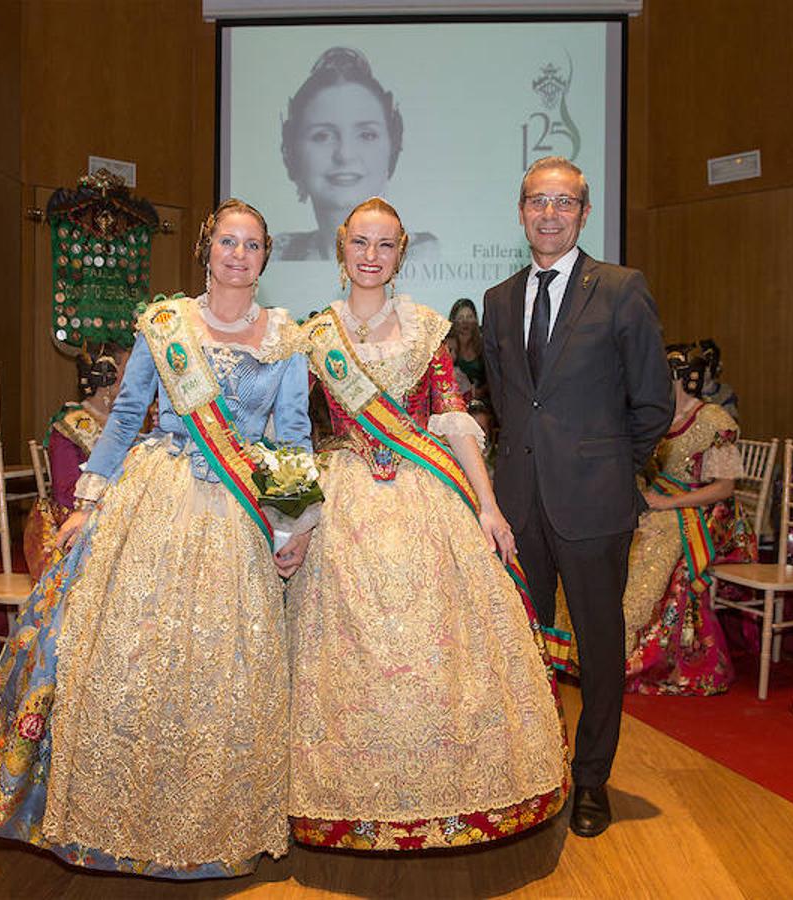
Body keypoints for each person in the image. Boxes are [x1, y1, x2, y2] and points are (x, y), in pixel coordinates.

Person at [0, 199, 313, 877]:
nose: (239, 255)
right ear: (206, 250)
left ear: (265, 258)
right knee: (127, 651)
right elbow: (126, 417)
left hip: (236, 520)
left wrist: (291, 523)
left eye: (252, 246)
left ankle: (211, 821)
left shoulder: (285, 339)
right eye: (227, 243)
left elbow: (291, 437)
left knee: (221, 669)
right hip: (156, 498)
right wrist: (86, 503)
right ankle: (112, 814)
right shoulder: (166, 325)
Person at [288, 198, 569, 852]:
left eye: (385, 245)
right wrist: (288, 515)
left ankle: (453, 793)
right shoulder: (314, 334)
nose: (371, 256)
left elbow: (452, 419)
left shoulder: (424, 329)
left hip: (422, 494)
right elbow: (290, 430)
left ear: (401, 252)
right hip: (342, 498)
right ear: (341, 246)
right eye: (361, 242)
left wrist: (489, 506)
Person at [481, 156, 672, 838]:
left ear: (584, 214)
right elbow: (509, 400)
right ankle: (532, 773)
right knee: (522, 646)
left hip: (596, 503)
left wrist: (612, 468)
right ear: (522, 211)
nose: (550, 213)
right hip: (519, 503)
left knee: (596, 646)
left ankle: (591, 780)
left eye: (565, 203)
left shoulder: (620, 289)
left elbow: (654, 401)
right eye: (538, 201)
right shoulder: (499, 298)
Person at [558, 344, 755, 695]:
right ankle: (583, 643)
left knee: (649, 549)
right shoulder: (655, 417)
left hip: (704, 511)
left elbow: (725, 488)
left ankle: (617, 655)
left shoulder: (715, 420)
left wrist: (667, 504)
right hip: (659, 501)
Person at [275, 47, 437, 262]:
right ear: (292, 151)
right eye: (322, 136)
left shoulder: (429, 254)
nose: (345, 154)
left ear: (392, 146)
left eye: (367, 135)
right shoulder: (273, 256)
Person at [22, 345, 126, 580]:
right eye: (124, 377)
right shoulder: (69, 426)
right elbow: (65, 492)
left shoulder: (124, 424)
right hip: (78, 522)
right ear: (107, 383)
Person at [446, 298, 493, 438]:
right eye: (460, 317)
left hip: (482, 403)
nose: (465, 322)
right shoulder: (448, 345)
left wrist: (481, 391)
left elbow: (493, 377)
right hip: (454, 403)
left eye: (469, 317)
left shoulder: (484, 344)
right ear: (453, 321)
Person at [696, 338, 739, 420]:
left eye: (706, 365)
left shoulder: (725, 393)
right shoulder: (686, 393)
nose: (702, 370)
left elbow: (730, 425)